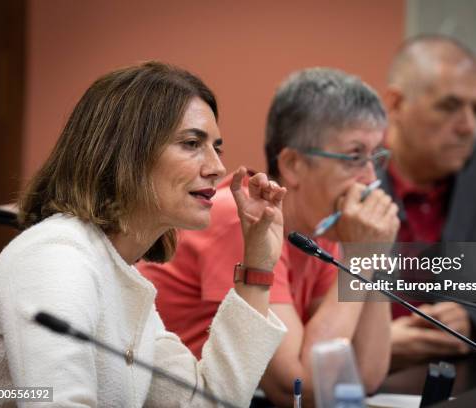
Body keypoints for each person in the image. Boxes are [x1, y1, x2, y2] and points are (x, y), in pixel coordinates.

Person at [0, 61, 289, 407]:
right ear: (126, 153)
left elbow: (207, 402)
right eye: (191, 143)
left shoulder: (118, 273)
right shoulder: (58, 261)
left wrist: (258, 263)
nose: (216, 168)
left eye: (216, 148)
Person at [139, 68, 400, 407]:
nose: (370, 179)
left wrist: (372, 255)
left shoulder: (325, 231)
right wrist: (362, 259)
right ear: (292, 164)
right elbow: (301, 389)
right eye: (354, 157)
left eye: (375, 157)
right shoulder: (241, 219)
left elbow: (363, 377)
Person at [381, 34, 476, 368]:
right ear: (395, 104)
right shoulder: (346, 168)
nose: (469, 126)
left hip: (462, 374)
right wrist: (374, 342)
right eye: (449, 107)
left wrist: (471, 319)